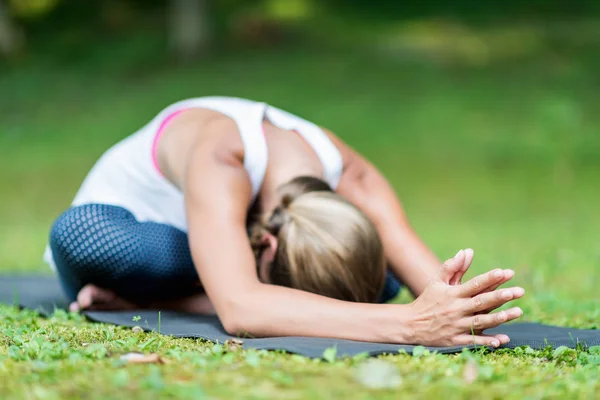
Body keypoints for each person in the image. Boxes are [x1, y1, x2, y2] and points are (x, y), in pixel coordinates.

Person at [44, 97, 524, 347]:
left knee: (378, 279)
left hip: (222, 268)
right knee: (91, 237)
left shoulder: (349, 170)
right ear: (268, 247)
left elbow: (431, 288)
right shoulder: (222, 155)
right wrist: (410, 323)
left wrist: (457, 303)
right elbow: (239, 310)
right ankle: (182, 289)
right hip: (145, 244)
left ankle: (180, 299)